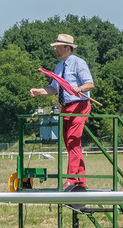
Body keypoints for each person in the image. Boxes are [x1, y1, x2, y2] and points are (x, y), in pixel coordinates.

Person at [29, 33, 95, 192]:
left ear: (67, 48)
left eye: (57, 47)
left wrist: (79, 88)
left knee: (73, 142)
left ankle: (72, 179)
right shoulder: (59, 67)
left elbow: (90, 84)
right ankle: (80, 180)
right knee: (70, 144)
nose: (55, 50)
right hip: (66, 107)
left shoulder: (79, 63)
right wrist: (39, 91)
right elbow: (53, 88)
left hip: (80, 105)